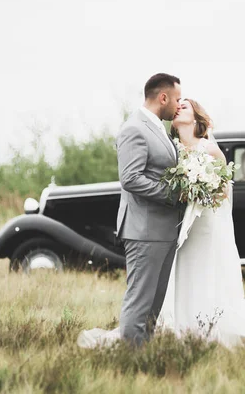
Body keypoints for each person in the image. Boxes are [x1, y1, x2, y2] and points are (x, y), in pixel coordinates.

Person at [78, 73, 183, 348]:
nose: (179, 104)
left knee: (154, 303)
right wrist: (175, 195)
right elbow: (131, 178)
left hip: (165, 230)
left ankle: (143, 354)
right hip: (144, 230)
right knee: (139, 301)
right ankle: (128, 359)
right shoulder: (134, 128)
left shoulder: (159, 127)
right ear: (163, 97)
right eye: (177, 99)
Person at [157, 99, 245, 348]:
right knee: (183, 268)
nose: (178, 107)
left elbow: (225, 192)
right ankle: (181, 324)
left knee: (205, 269)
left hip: (207, 223)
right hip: (181, 224)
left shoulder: (209, 149)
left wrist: (202, 191)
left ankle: (209, 325)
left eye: (184, 106)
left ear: (197, 118)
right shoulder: (171, 149)